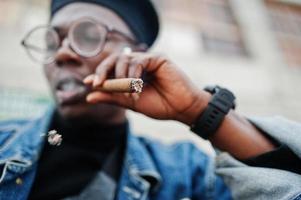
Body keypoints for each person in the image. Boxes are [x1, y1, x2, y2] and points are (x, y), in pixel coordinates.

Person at [1, 0, 301, 199]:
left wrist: (198, 110)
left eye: (89, 36)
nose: (62, 53)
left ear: (137, 55)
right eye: (52, 41)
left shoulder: (185, 172)